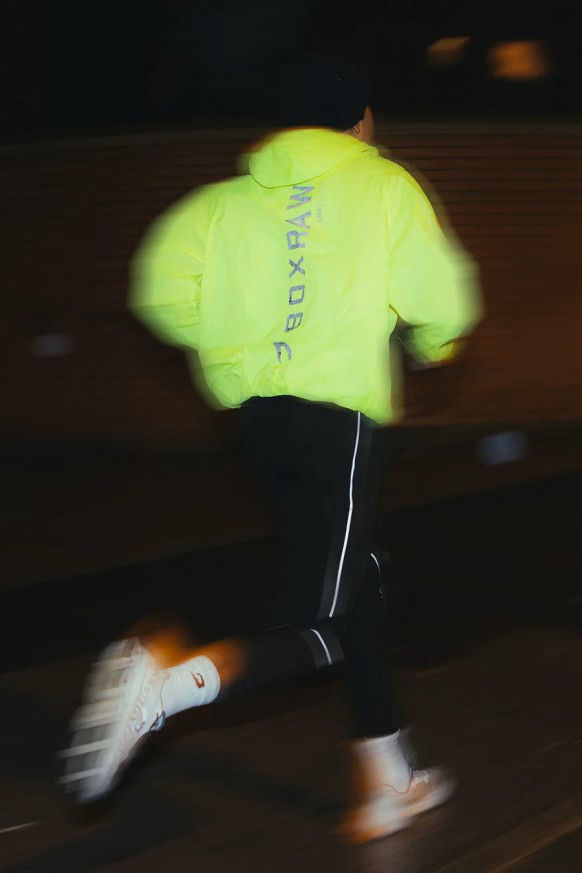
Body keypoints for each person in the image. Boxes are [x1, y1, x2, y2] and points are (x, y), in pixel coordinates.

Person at [61, 59, 481, 842]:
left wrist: (234, 342)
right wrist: (436, 345)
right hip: (338, 421)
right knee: (323, 626)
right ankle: (169, 688)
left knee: (358, 585)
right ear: (360, 118)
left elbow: (158, 289)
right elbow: (440, 298)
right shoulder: (382, 185)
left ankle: (392, 779)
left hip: (257, 426)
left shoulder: (222, 201)